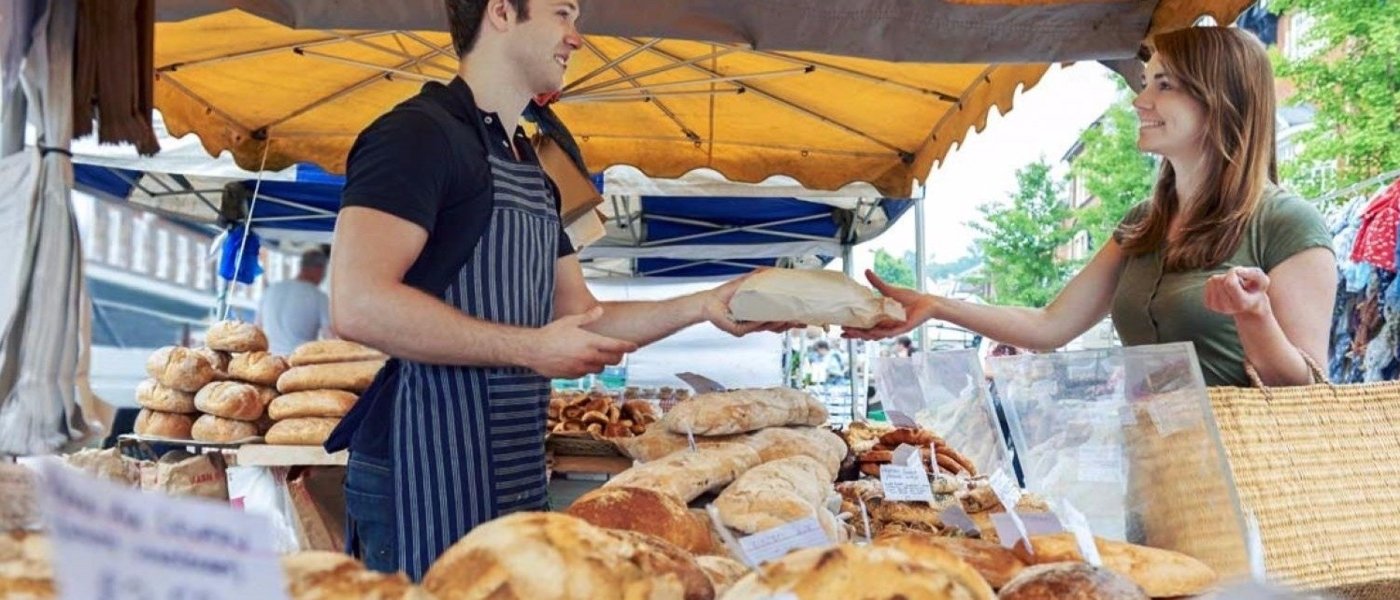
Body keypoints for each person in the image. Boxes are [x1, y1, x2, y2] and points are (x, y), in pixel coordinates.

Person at [322, 0, 791, 580]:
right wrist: (529, 348)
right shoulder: (416, 135)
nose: (577, 38)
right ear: (501, 11)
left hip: (513, 462)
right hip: (423, 464)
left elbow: (582, 317)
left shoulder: (533, 166)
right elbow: (358, 304)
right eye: (563, 13)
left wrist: (705, 304)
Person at [846, 26, 1336, 388]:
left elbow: (1305, 386)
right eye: (1145, 81)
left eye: (1164, 85)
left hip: (1249, 477)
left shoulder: (1286, 222)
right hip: (1157, 469)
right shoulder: (1143, 223)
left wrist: (1254, 315)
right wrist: (936, 305)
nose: (1140, 100)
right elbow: (1049, 326)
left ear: (1221, 100)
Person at [256, 248, 332, 355]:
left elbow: (257, 328)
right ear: (319, 269)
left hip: (270, 359)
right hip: (298, 360)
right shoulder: (319, 297)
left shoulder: (271, 289)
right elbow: (329, 337)